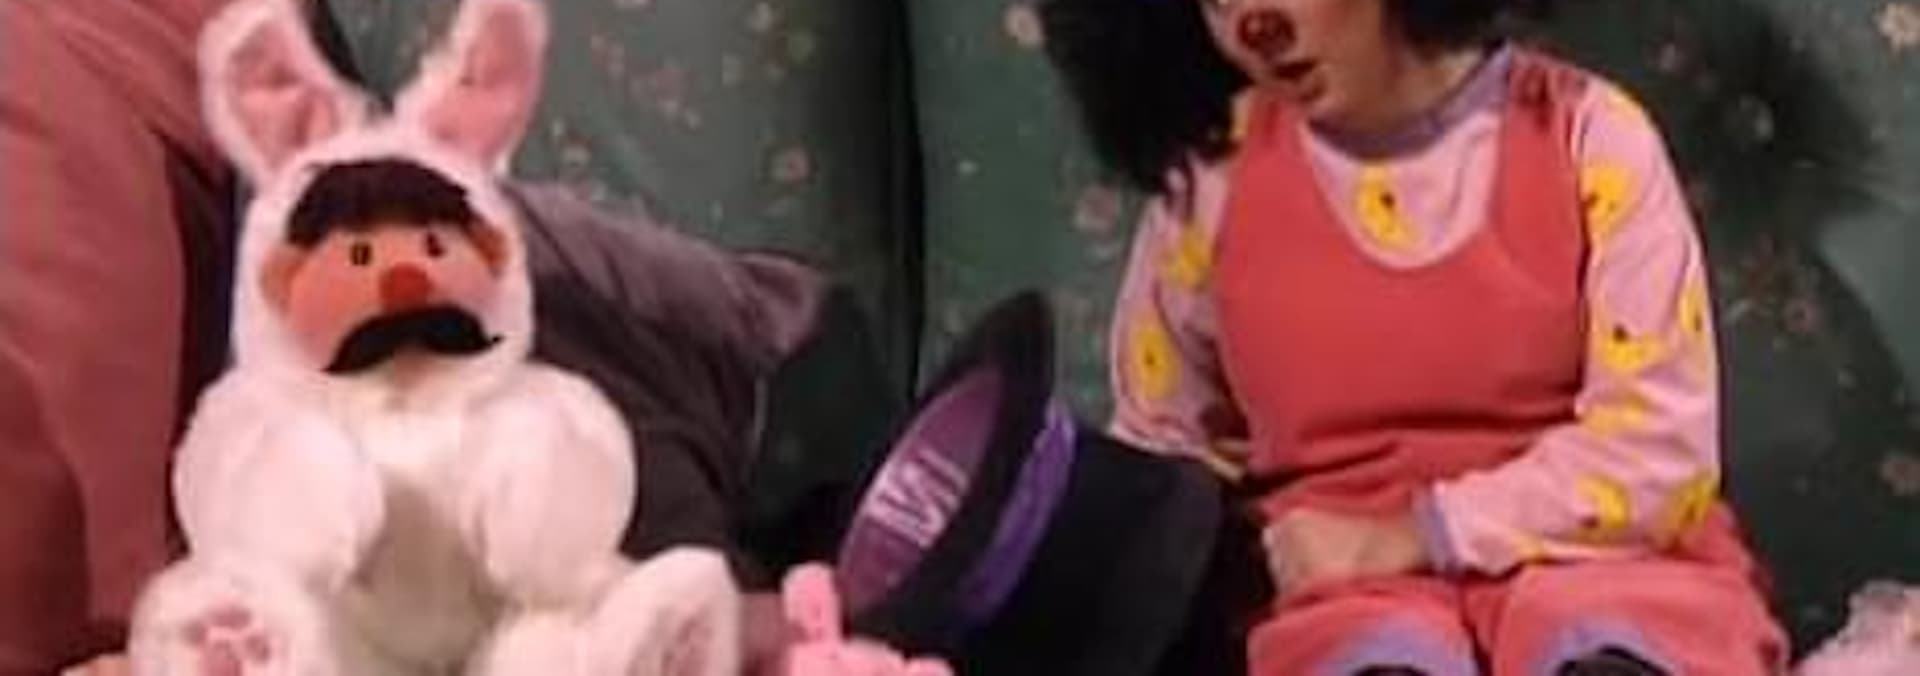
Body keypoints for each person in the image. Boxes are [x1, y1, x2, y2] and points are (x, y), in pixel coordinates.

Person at [1039, 0, 1788, 673]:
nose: (1254, 25)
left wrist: (1423, 532)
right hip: (1344, 603)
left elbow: (1659, 452)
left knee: (1603, 641)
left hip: (1606, 573)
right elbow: (1165, 450)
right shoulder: (1212, 183)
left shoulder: (1588, 137)